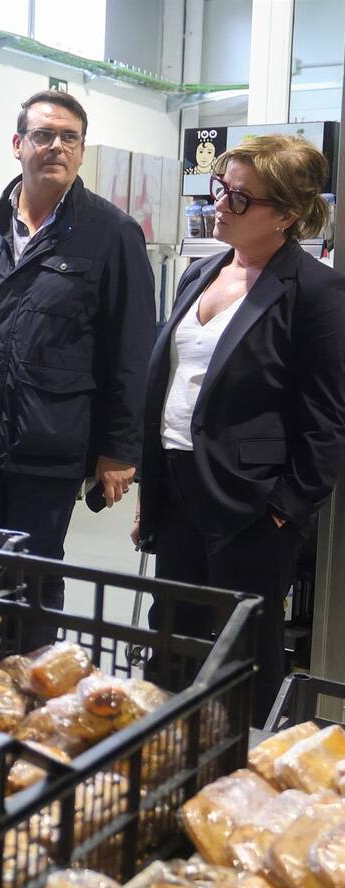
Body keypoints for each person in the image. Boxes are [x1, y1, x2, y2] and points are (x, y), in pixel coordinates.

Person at [135, 135, 345, 723]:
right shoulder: (200, 273)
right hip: (178, 486)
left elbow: (327, 419)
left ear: (287, 215)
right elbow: (174, 383)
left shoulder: (316, 292)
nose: (220, 205)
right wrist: (152, 486)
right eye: (220, 188)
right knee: (172, 636)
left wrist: (284, 509)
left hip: (251, 504)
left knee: (243, 653)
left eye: (240, 198)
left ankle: (245, 762)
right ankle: (165, 755)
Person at [0, 90, 154, 611]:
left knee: (33, 577)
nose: (57, 147)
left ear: (81, 150)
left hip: (47, 443)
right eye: (44, 135)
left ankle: (30, 663)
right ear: (18, 144)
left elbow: (131, 349)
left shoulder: (112, 234)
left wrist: (120, 449)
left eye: (69, 138)